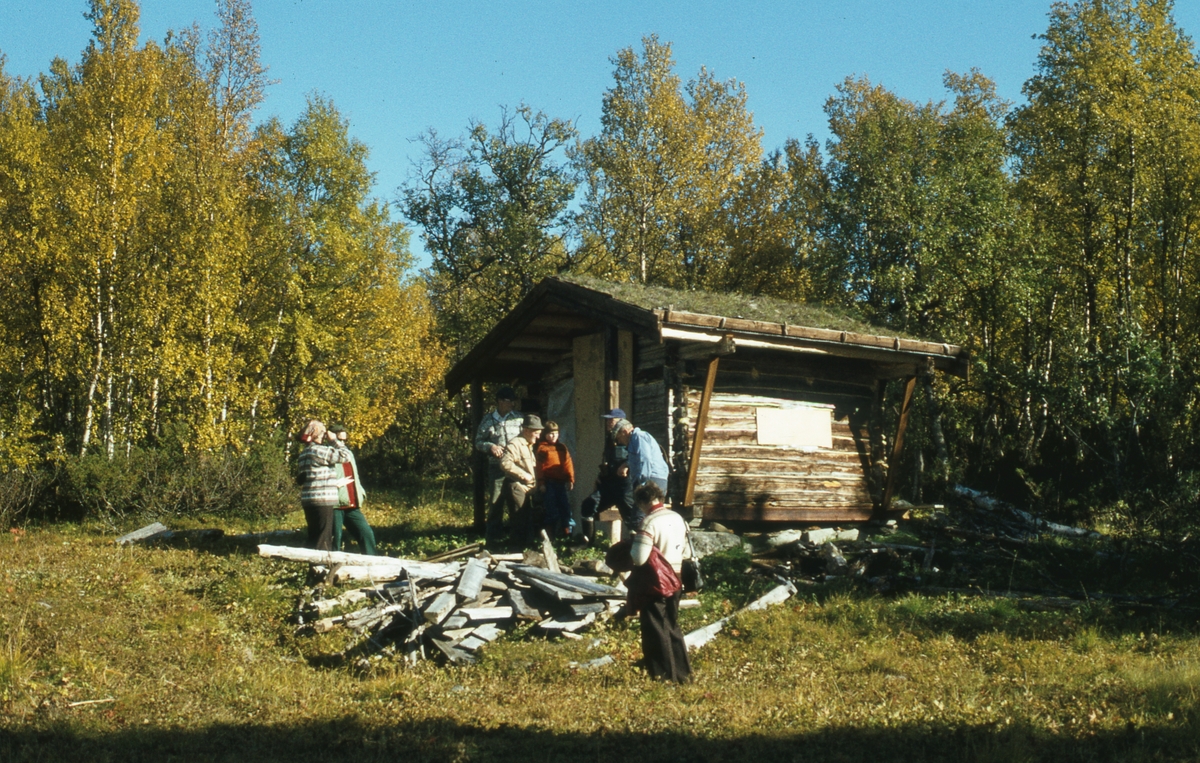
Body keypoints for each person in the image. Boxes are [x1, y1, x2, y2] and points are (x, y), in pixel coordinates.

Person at [629, 481, 691, 683]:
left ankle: (663, 676)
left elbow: (639, 558)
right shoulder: (678, 518)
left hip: (655, 582)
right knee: (672, 627)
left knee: (655, 629)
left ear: (642, 502)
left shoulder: (649, 522)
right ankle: (683, 674)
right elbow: (687, 551)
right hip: (677, 578)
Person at [474, 386, 523, 541]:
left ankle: (517, 538)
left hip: (516, 467)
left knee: (517, 502)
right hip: (497, 467)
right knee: (496, 502)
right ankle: (494, 539)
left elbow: (527, 440)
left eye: (513, 401)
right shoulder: (488, 420)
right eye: (509, 401)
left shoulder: (519, 419)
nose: (512, 404)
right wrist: (491, 447)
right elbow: (478, 442)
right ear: (500, 401)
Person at [296, 419, 352, 551]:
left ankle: (312, 567)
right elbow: (346, 456)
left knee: (314, 536)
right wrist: (334, 441)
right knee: (324, 538)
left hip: (309, 500)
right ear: (319, 434)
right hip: (323, 500)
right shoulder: (319, 451)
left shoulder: (304, 453)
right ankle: (320, 567)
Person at [581, 408, 636, 540]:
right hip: (608, 484)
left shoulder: (631, 437)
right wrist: (599, 477)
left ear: (620, 421)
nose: (608, 423)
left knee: (631, 516)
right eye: (607, 420)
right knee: (588, 504)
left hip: (624, 485)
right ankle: (587, 543)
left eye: (611, 420)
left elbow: (638, 456)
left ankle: (635, 548)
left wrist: (626, 464)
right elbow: (607, 461)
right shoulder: (609, 438)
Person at [328, 424, 376, 555]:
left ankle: (372, 565)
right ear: (330, 437)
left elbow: (354, 476)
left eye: (344, 440)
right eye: (339, 439)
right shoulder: (326, 453)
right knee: (335, 540)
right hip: (335, 504)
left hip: (351, 503)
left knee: (366, 534)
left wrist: (360, 492)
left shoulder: (348, 453)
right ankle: (330, 570)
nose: (342, 443)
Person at [499, 413, 543, 543]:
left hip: (526, 489)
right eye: (536, 432)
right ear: (526, 430)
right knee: (520, 520)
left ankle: (526, 550)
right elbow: (505, 463)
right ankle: (516, 552)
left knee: (527, 519)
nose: (538, 436)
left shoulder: (529, 445)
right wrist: (523, 475)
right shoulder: (515, 444)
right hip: (515, 487)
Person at [536, 420, 575, 538]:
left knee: (565, 508)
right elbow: (539, 467)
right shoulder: (542, 448)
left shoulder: (562, 448)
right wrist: (541, 482)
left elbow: (568, 463)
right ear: (545, 435)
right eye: (550, 434)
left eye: (555, 433)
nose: (553, 436)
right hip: (548, 484)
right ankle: (550, 537)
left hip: (561, 483)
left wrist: (570, 479)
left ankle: (567, 534)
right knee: (551, 510)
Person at [614, 418, 670, 494]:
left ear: (625, 431)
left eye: (619, 438)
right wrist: (626, 464)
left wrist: (642, 483)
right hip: (650, 480)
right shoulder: (634, 441)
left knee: (645, 505)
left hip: (652, 480)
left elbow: (645, 458)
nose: (619, 441)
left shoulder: (639, 436)